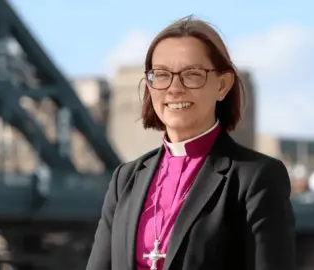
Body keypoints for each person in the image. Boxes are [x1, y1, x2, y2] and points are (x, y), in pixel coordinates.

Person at [86, 15, 296, 270]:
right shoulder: (125, 180)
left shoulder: (256, 178)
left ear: (222, 84)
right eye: (161, 75)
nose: (175, 88)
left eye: (192, 75)